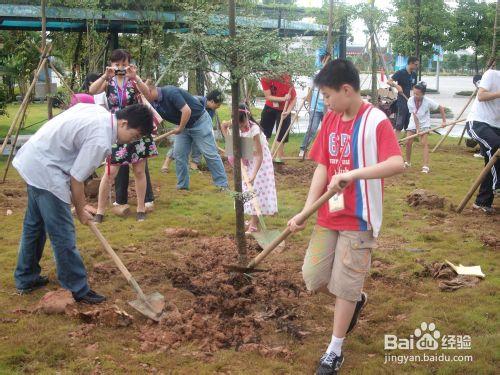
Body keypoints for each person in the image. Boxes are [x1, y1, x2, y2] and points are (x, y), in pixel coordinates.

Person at [286, 59, 404, 375]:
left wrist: (354, 174)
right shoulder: (331, 120)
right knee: (314, 277)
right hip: (328, 215)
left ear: (347, 90)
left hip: (359, 218)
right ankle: (355, 298)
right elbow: (322, 167)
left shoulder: (376, 121)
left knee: (345, 284)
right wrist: (306, 210)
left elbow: (396, 163)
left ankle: (334, 349)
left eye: (327, 95)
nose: (325, 101)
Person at [12, 103, 153, 303]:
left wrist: (80, 205)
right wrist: (80, 210)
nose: (133, 141)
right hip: (46, 170)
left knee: (34, 226)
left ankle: (26, 278)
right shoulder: (101, 140)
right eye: (135, 135)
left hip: (33, 158)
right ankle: (77, 288)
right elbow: (76, 179)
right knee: (63, 233)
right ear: (124, 123)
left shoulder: (100, 113)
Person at [89, 49, 158, 222]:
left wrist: (136, 78)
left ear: (129, 65)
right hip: (116, 131)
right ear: (111, 65)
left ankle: (141, 209)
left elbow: (149, 94)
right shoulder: (108, 81)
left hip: (136, 130)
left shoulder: (133, 81)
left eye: (124, 64)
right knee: (110, 172)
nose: (120, 67)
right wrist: (105, 76)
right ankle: (99, 211)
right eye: (116, 64)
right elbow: (91, 90)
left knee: (139, 171)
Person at [138, 81, 229, 191]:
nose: (145, 99)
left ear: (151, 90)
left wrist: (180, 128)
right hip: (184, 125)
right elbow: (152, 121)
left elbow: (186, 111)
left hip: (199, 122)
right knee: (179, 154)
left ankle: (222, 185)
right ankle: (182, 186)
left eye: (145, 95)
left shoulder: (170, 92)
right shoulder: (153, 103)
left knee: (210, 153)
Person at [221, 104, 277, 233]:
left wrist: (254, 175)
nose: (242, 127)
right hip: (247, 159)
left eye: (243, 124)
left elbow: (259, 154)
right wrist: (224, 128)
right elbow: (231, 143)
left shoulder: (254, 129)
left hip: (260, 162)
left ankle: (254, 223)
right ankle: (252, 220)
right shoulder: (234, 122)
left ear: (248, 117)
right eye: (239, 125)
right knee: (247, 190)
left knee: (256, 190)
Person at [161, 89, 224, 173]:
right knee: (178, 146)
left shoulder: (212, 111)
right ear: (212, 101)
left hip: (198, 127)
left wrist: (213, 142)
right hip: (184, 124)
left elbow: (207, 126)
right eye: (218, 105)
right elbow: (183, 110)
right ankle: (166, 164)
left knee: (199, 142)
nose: (218, 107)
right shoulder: (196, 100)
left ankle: (194, 165)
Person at [466, 66, 500, 214]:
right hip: (479, 123)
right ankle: (498, 185)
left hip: (496, 126)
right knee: (497, 147)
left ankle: (482, 202)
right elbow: (481, 96)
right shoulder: (492, 74)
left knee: (492, 161)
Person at [405, 81, 446, 173]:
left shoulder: (428, 101)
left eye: (417, 94)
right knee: (408, 141)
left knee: (424, 143)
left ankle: (425, 166)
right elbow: (414, 116)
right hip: (414, 122)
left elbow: (441, 108)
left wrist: (444, 121)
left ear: (423, 94)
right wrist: (417, 129)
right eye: (414, 93)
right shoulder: (410, 101)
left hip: (425, 123)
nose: (415, 95)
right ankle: (407, 162)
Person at [299, 52, 330, 158]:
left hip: (329, 107)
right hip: (316, 106)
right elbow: (310, 89)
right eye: (325, 60)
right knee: (312, 128)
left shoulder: (332, 74)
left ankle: (326, 151)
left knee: (328, 130)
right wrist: (308, 103)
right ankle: (303, 149)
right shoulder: (317, 73)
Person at [260, 73, 297, 162]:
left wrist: (288, 111)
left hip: (284, 110)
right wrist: (283, 99)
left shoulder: (286, 78)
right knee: (264, 132)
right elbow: (268, 96)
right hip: (269, 107)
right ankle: (263, 157)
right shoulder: (265, 78)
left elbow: (294, 98)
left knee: (282, 133)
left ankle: (278, 158)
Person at [387, 57, 419, 137]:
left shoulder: (414, 75)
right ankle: (395, 143)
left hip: (410, 101)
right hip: (402, 101)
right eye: (416, 64)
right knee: (399, 124)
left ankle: (406, 142)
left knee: (409, 124)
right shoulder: (401, 72)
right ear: (410, 63)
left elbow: (415, 88)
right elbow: (389, 81)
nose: (417, 66)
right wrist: (396, 86)